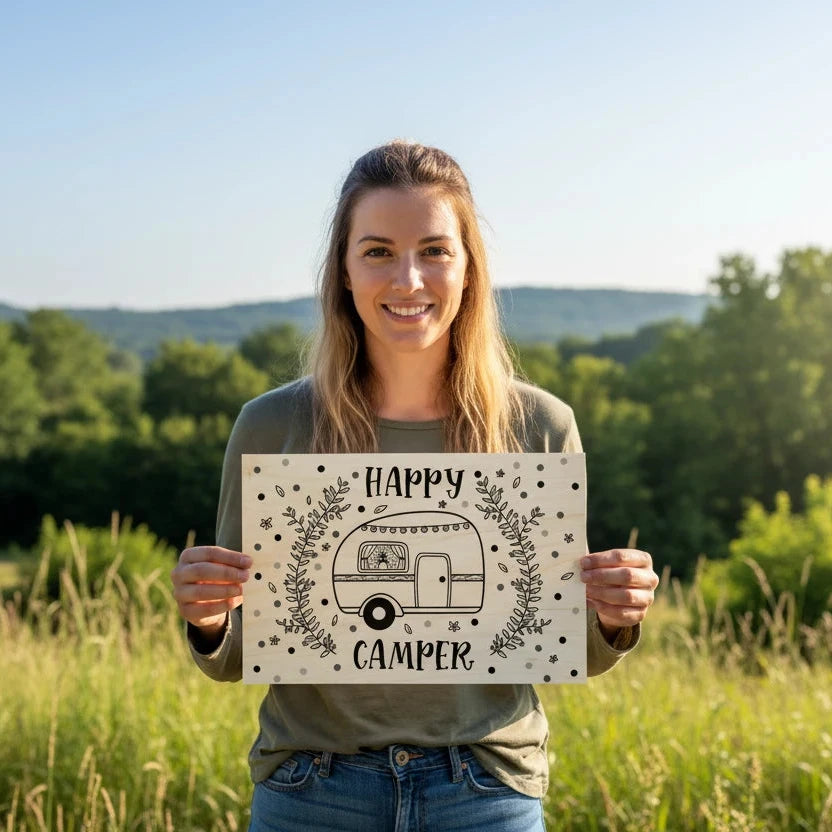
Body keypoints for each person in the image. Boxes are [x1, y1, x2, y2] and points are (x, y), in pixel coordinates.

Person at [171, 140, 659, 832]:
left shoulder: (540, 425)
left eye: (434, 249)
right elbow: (245, 648)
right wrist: (209, 617)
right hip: (312, 788)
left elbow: (561, 645)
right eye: (377, 251)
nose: (407, 279)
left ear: (468, 271)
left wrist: (615, 615)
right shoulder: (272, 424)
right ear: (343, 270)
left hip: (486, 789)